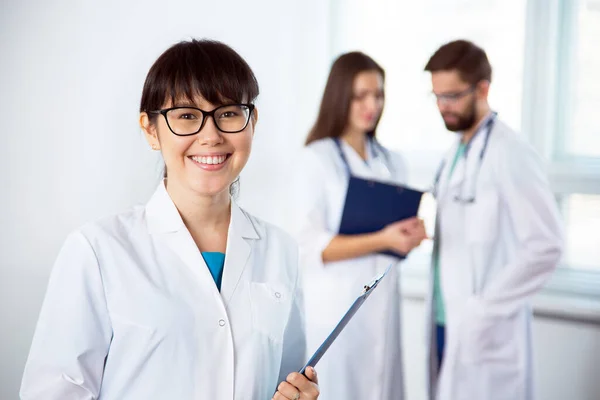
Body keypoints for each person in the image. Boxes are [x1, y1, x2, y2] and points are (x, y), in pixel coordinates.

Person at [20, 39, 319, 400]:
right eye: (187, 116)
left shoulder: (281, 251)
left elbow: (285, 379)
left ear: (251, 121)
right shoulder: (98, 251)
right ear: (150, 129)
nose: (211, 136)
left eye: (228, 113)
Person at [423, 39, 563, 400]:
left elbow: (546, 246)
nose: (443, 107)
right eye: (437, 96)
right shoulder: (456, 151)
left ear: (482, 88)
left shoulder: (511, 152)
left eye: (451, 96)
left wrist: (484, 309)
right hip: (445, 318)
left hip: (483, 327)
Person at [288, 51, 427, 400]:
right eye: (360, 95)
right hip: (336, 309)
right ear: (339, 97)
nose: (372, 104)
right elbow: (310, 246)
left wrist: (411, 236)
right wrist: (383, 238)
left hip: (383, 308)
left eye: (378, 94)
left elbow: (399, 235)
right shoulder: (316, 159)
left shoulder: (392, 162)